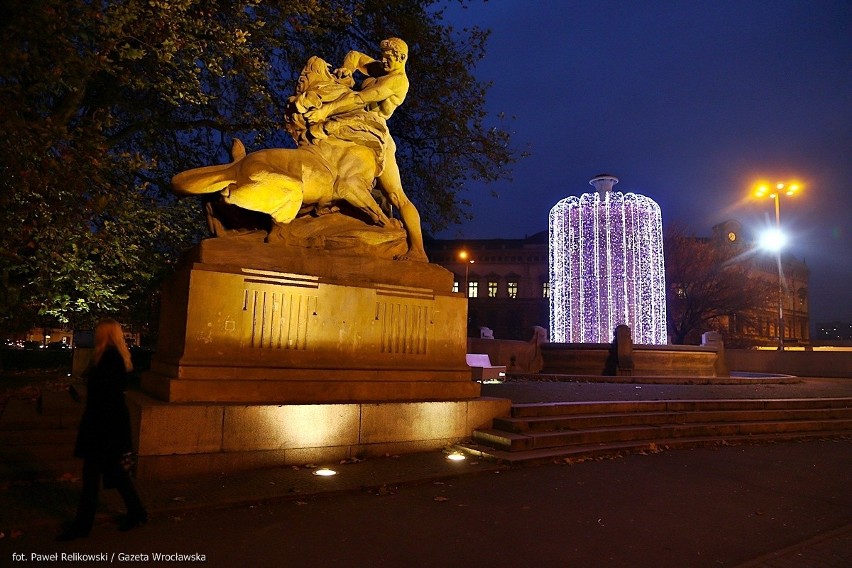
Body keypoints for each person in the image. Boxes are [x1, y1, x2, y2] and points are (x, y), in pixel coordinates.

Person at [304, 37, 428, 262]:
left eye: (389, 58)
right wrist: (347, 70)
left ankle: (418, 249)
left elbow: (361, 98)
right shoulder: (382, 68)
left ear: (401, 58)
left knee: (395, 195)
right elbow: (355, 55)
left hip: (373, 131)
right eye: (382, 56)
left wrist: (326, 111)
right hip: (354, 121)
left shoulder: (398, 81)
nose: (383, 61)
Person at [57, 319, 147, 541]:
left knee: (92, 477)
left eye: (99, 332)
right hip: (107, 424)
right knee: (112, 474)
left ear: (105, 334)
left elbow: (105, 396)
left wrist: (97, 428)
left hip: (103, 426)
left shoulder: (109, 358)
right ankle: (137, 513)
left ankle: (83, 526)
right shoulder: (113, 357)